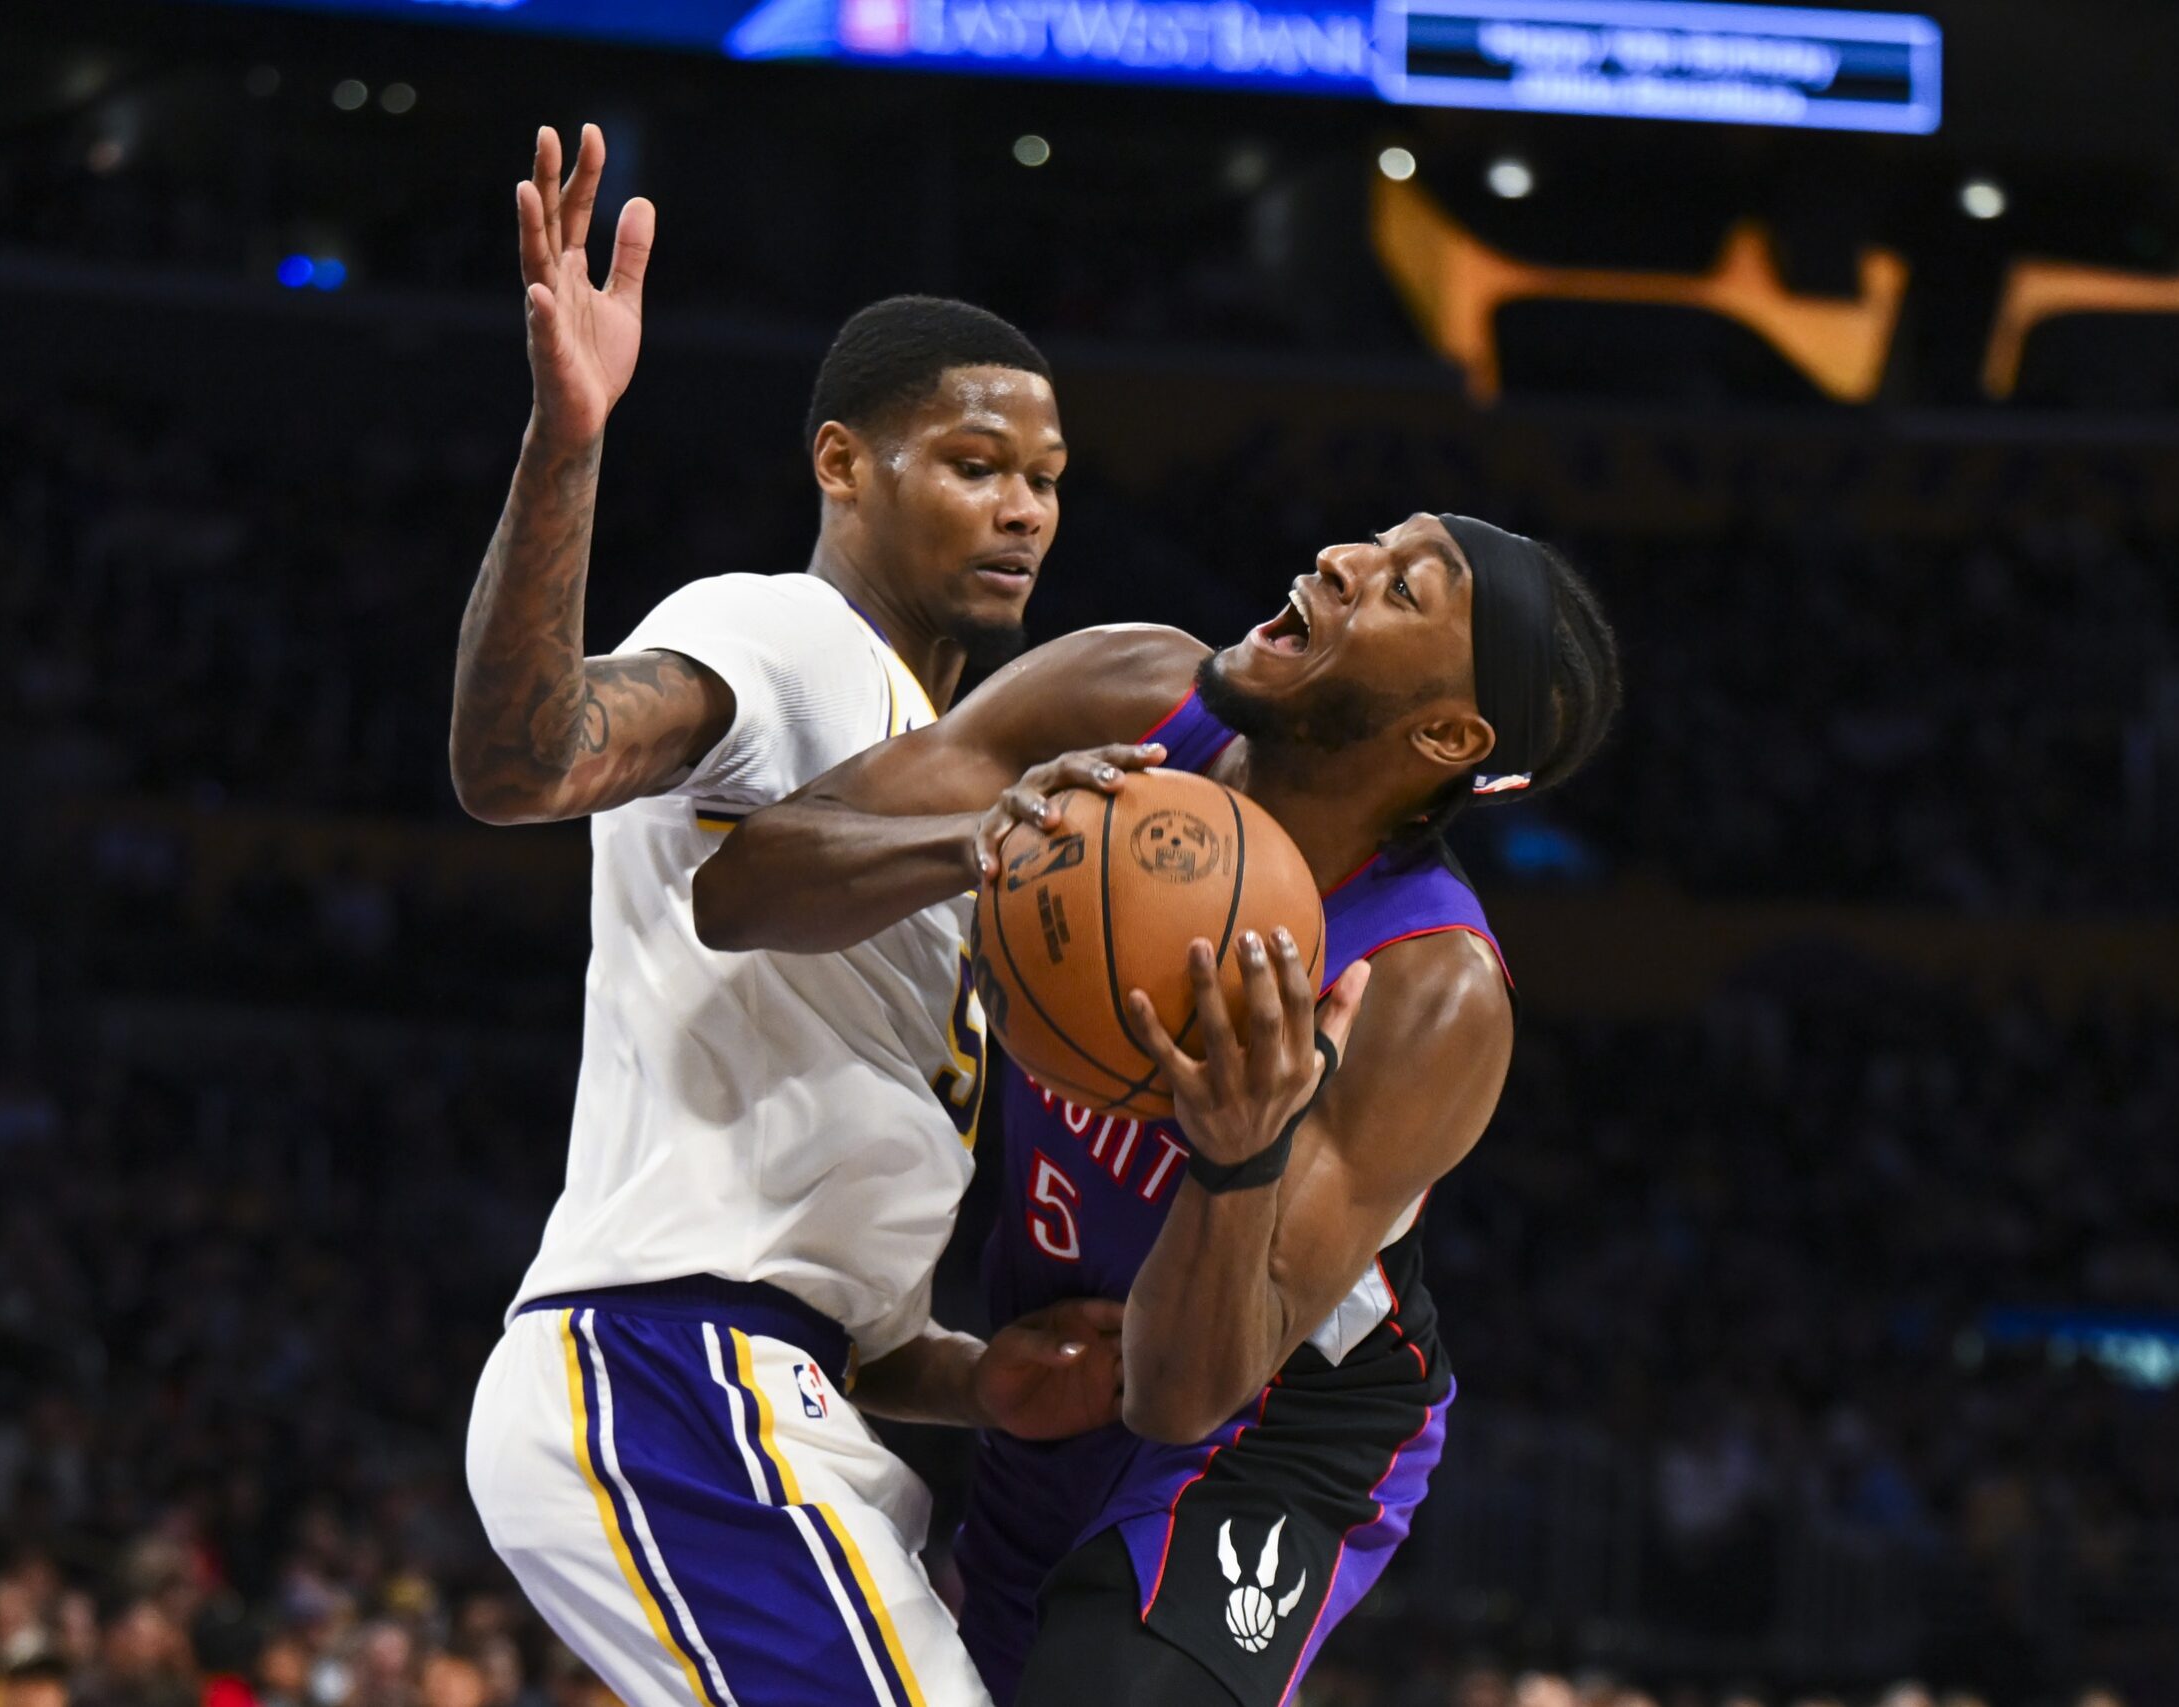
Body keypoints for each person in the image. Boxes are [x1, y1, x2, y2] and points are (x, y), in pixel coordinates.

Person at [694, 511, 1621, 1704]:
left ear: (1446, 732)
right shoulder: (1128, 698)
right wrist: (971, 842)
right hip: (1063, 1347)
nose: (1340, 559)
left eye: (1403, 590)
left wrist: (1238, 1159)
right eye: (1371, 544)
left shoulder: (1423, 990)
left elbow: (1190, 1397)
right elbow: (745, 886)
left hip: (1275, 1417)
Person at [448, 122, 1119, 1707]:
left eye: (1045, 480)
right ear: (842, 464)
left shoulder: (957, 790)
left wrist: (976, 1374)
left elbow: (851, 1307)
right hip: (664, 1370)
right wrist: (569, 437)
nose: (1022, 510)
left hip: (788, 1389)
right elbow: (520, 759)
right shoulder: (780, 631)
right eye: (973, 466)